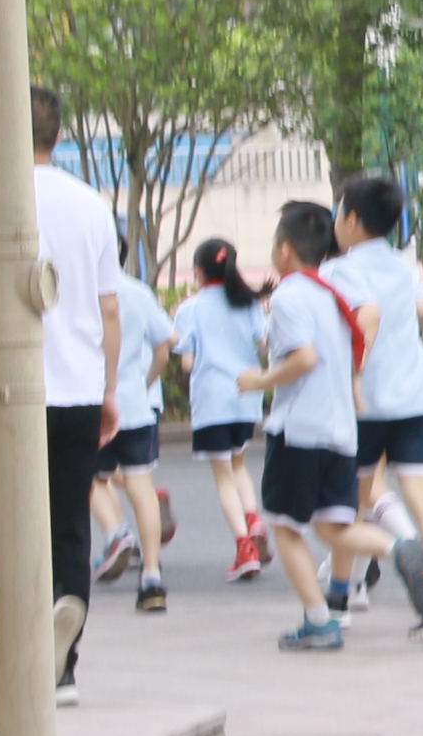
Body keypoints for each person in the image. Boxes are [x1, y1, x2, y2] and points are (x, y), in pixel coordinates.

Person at [240, 200, 389, 652]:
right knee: (335, 528)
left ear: (285, 250)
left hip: (299, 428)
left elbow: (303, 359)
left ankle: (319, 619)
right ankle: (402, 550)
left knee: (287, 528)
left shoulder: (288, 295)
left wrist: (259, 380)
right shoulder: (331, 295)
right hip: (340, 429)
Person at [333, 174, 423, 639]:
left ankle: (338, 595)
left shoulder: (339, 271)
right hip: (416, 396)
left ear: (351, 219)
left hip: (363, 403)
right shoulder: (406, 268)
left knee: (348, 504)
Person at [29, 86, 124, 706]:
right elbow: (109, 309)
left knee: (12, 523)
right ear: (59, 135)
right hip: (79, 390)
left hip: (15, 391)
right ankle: (64, 668)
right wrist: (109, 389)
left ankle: (22, 650)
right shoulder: (90, 204)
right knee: (70, 522)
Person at [174, 239, 272, 583]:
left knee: (223, 477)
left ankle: (244, 546)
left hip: (212, 400)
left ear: (198, 272)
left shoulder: (191, 309)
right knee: (239, 465)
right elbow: (264, 343)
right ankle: (254, 517)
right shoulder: (248, 305)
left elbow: (187, 362)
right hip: (246, 397)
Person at [93, 259, 177, 612]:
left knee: (90, 477)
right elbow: (165, 345)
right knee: (142, 485)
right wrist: (145, 383)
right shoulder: (138, 292)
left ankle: (116, 532)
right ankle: (152, 577)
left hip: (94, 401)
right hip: (135, 402)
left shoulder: (85, 292)